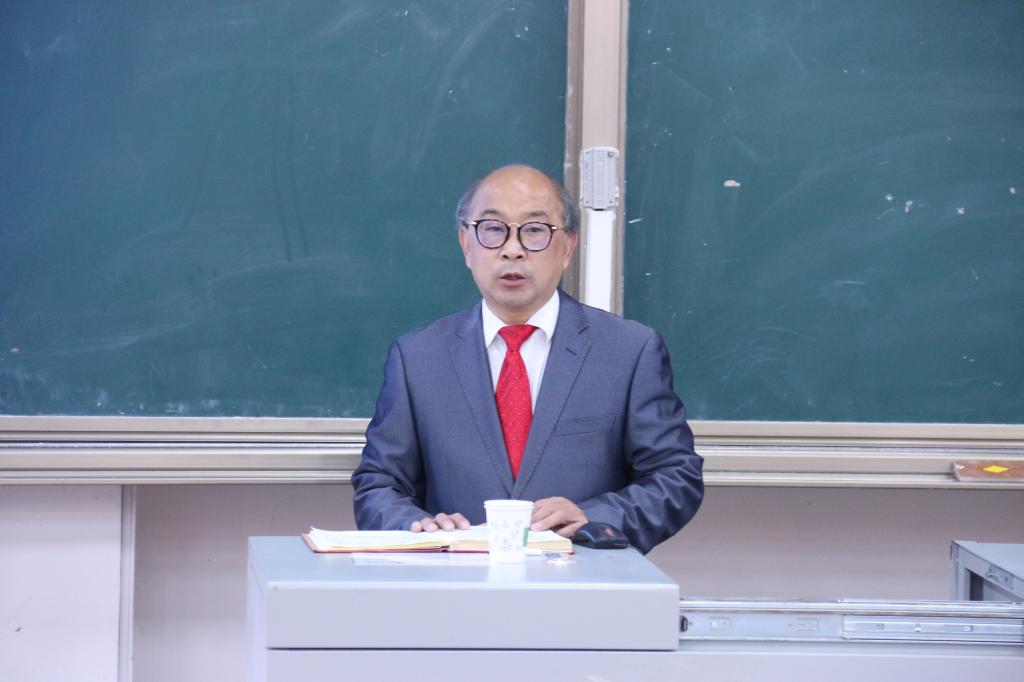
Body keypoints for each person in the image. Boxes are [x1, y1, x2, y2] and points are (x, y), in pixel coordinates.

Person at [352, 164, 703, 553]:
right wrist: (414, 526)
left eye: (535, 230)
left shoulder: (629, 351)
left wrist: (594, 517)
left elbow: (675, 476)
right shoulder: (418, 357)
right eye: (492, 229)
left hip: (584, 578)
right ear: (466, 244)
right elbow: (380, 483)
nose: (512, 249)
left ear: (567, 247)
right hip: (456, 580)